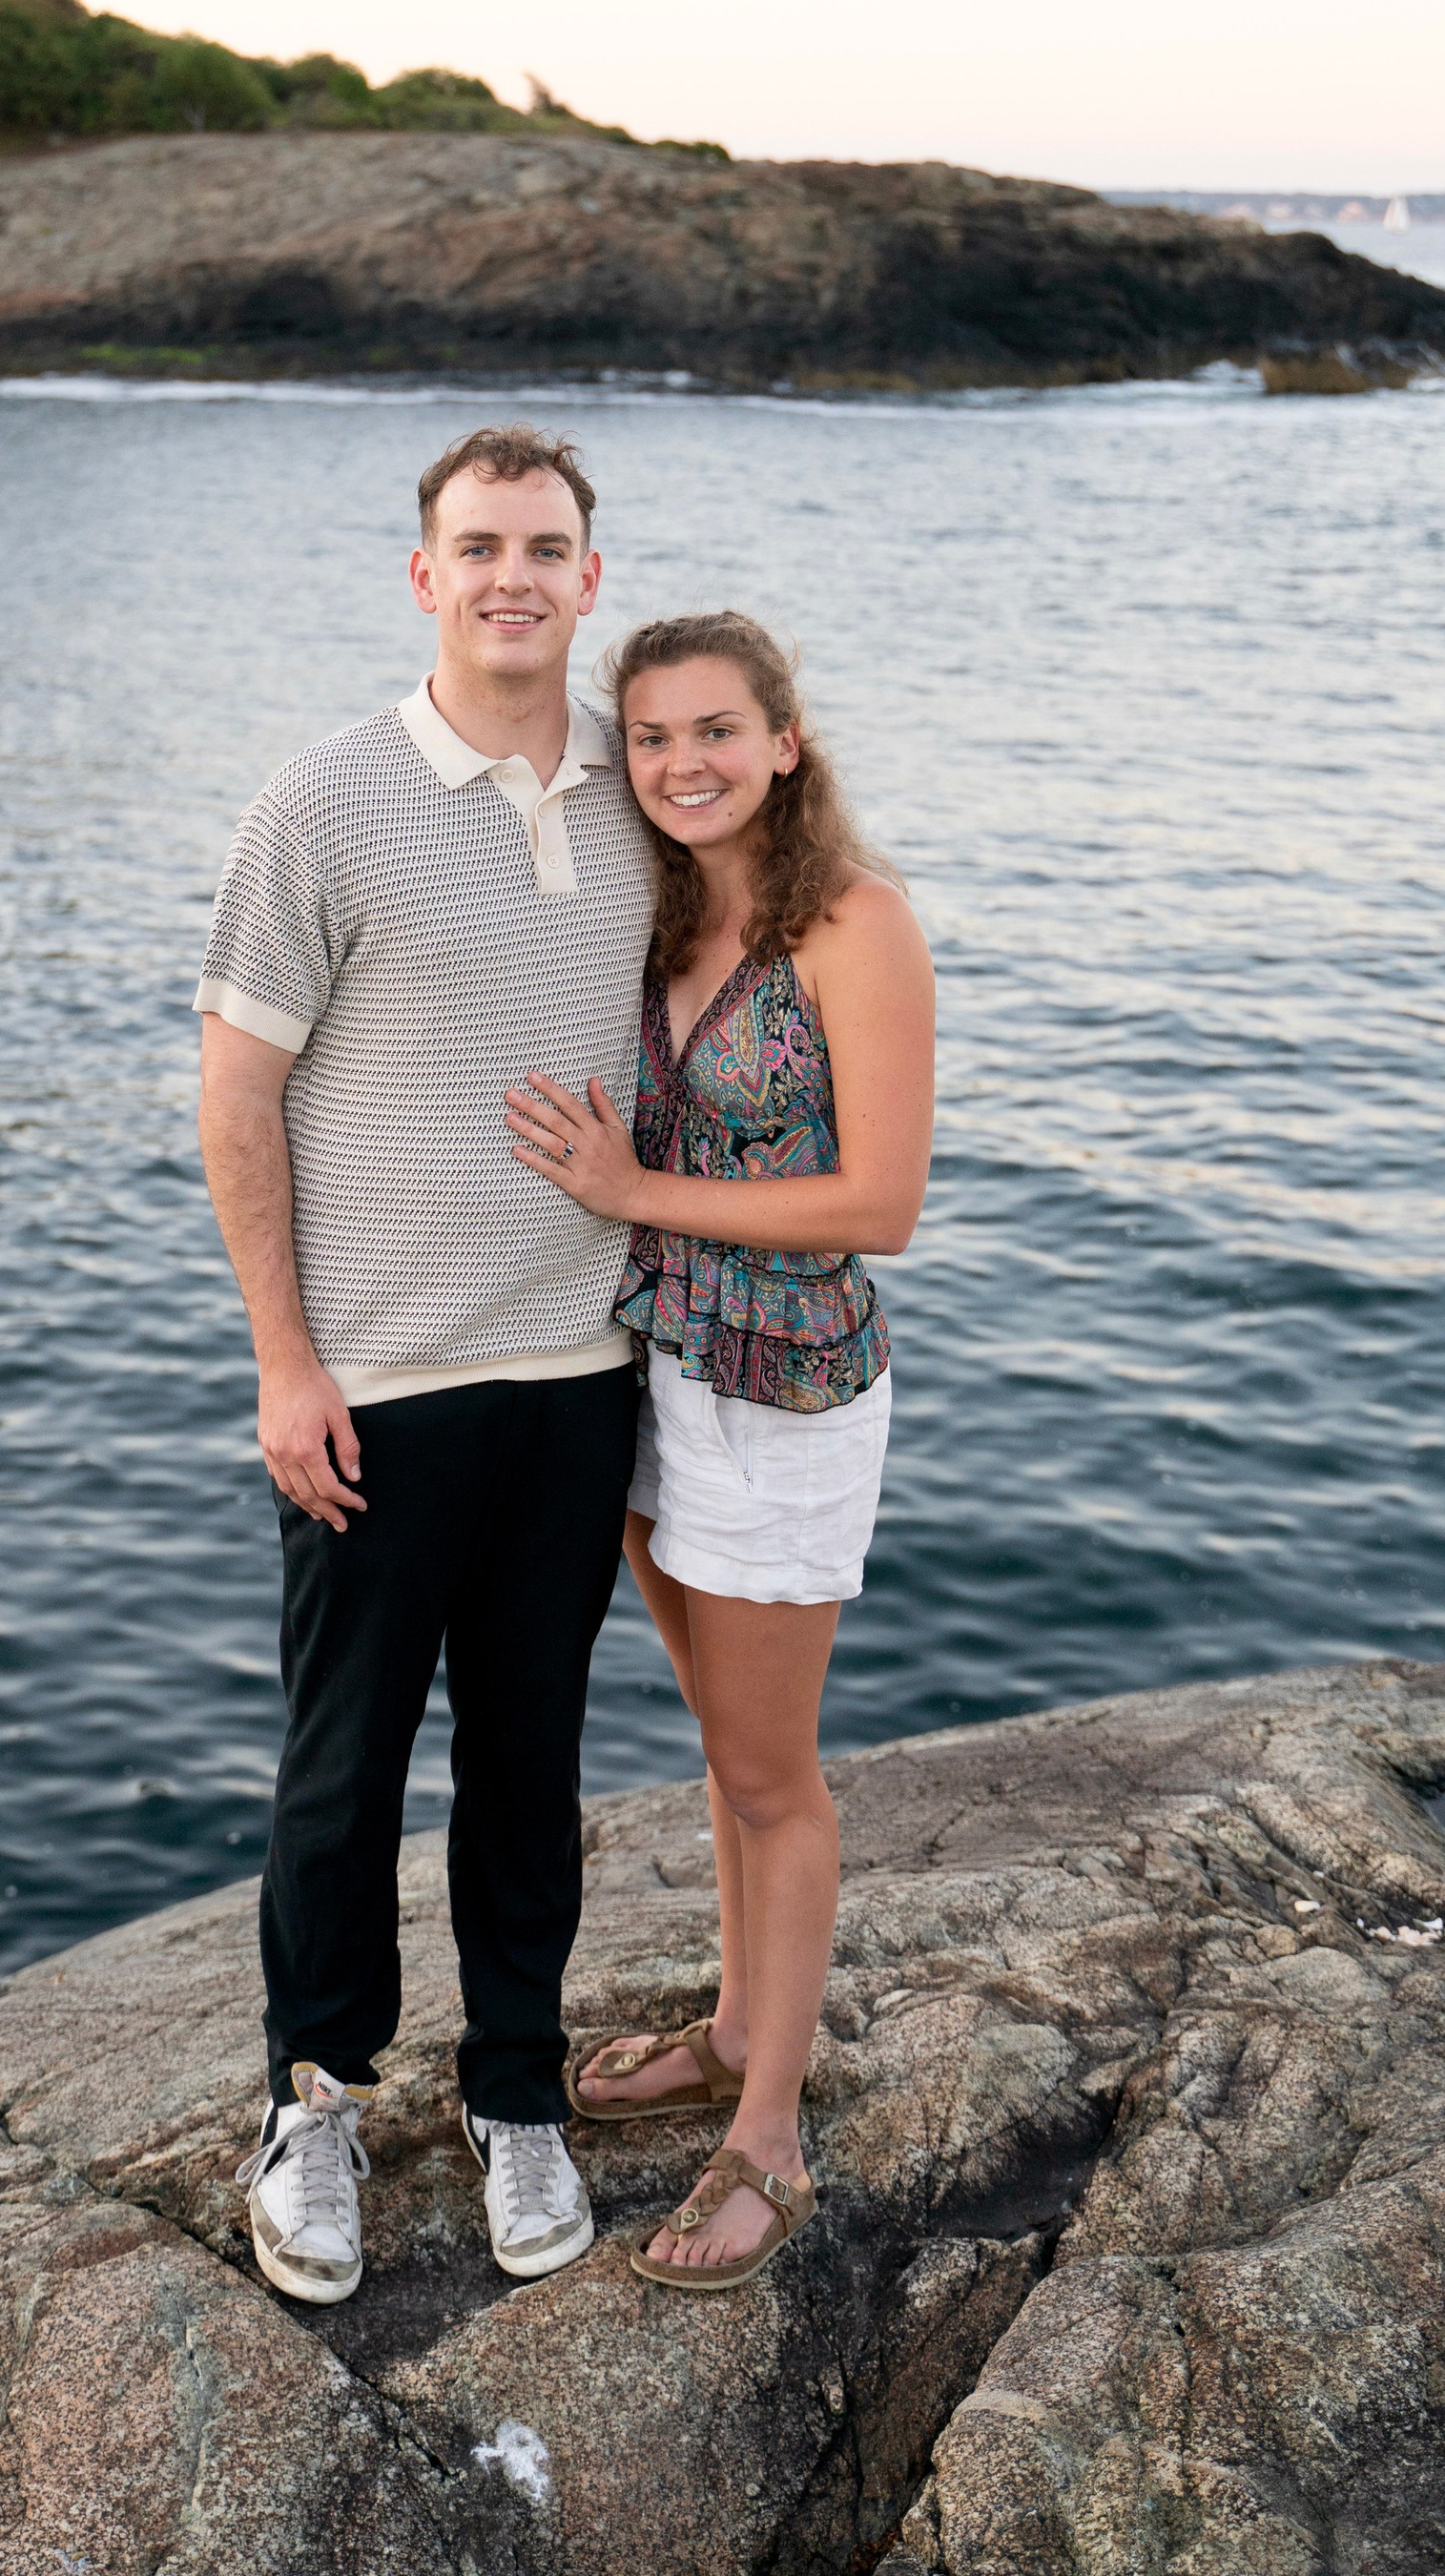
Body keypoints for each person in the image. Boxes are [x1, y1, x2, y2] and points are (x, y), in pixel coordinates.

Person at [195, 425, 656, 2307]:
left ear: (588, 577)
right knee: (344, 1765)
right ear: (424, 574)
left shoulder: (643, 790)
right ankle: (314, 2099)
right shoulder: (322, 801)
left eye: (542, 547)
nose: (510, 578)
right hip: (374, 1385)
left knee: (530, 1759)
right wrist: (283, 1359)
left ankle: (518, 2090)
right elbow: (237, 1097)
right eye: (478, 547)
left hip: (579, 1369)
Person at [506, 610, 934, 2292]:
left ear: (783, 740)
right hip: (659, 1369)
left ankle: (771, 2136)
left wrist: (634, 1191)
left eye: (715, 730)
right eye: (652, 736)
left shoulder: (855, 923)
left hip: (784, 1391)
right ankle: (740, 2024)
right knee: (723, 1746)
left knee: (774, 1774)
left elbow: (879, 1203)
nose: (682, 762)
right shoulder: (664, 910)